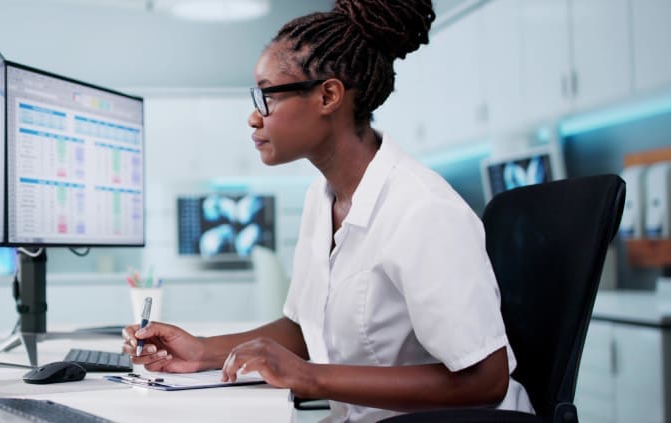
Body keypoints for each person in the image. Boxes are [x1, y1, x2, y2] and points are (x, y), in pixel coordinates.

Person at [122, 0, 533, 421]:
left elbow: (486, 380)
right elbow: (304, 329)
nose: (253, 116)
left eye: (267, 95)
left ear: (328, 96)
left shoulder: (424, 210)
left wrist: (310, 377)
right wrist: (202, 349)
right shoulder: (322, 199)